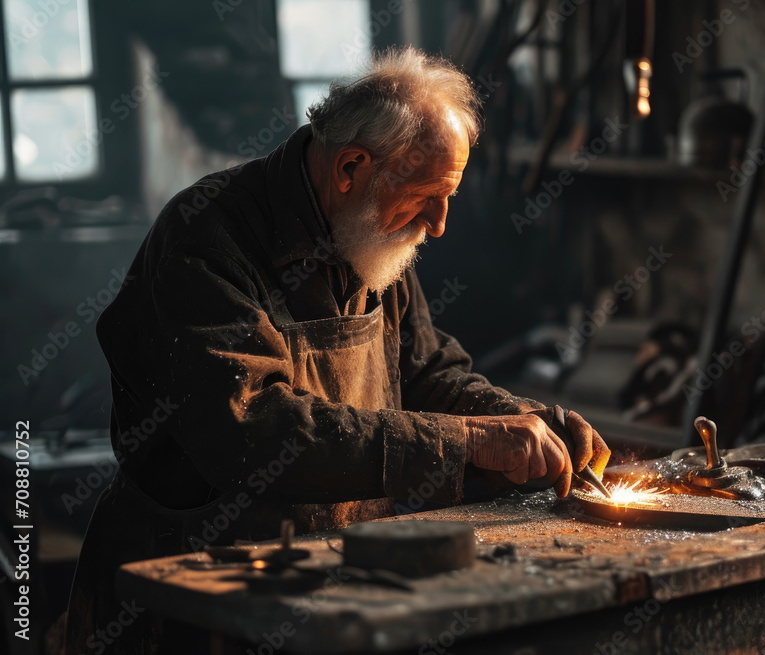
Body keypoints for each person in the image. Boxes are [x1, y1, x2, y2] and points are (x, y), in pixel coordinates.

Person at [61, 46, 610, 653]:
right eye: (429, 194)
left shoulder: (371, 232)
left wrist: (520, 421)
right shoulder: (204, 240)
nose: (439, 223)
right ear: (351, 166)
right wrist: (466, 442)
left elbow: (426, 370)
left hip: (327, 582)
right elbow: (253, 430)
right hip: (196, 597)